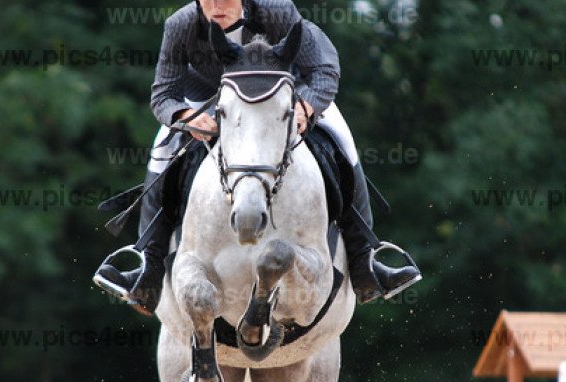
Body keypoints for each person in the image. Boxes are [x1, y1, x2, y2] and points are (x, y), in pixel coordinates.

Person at [94, 0, 421, 316]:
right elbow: (163, 93)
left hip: (282, 93)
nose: (216, 6)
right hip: (209, 97)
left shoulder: (277, 11)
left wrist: (306, 107)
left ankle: (366, 259)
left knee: (341, 137)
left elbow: (322, 70)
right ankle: (146, 266)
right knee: (162, 147)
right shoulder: (180, 24)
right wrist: (185, 115)